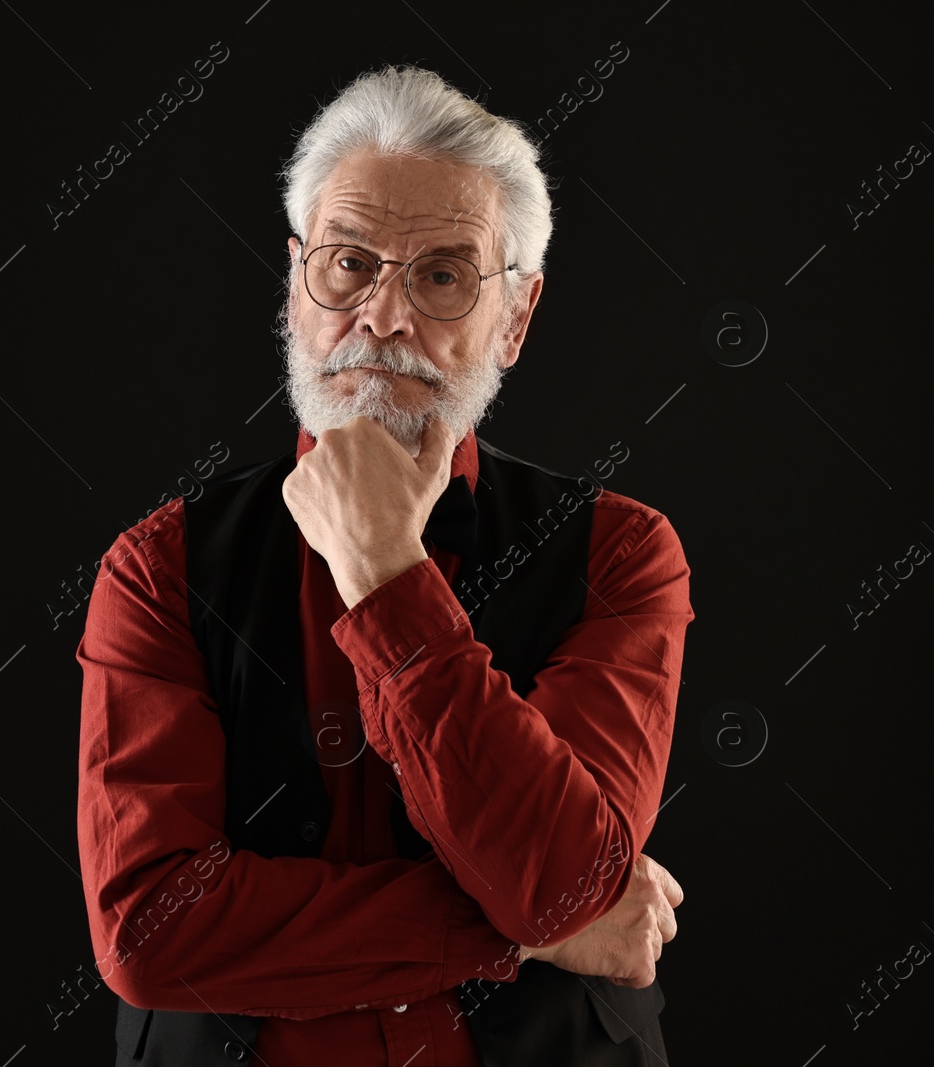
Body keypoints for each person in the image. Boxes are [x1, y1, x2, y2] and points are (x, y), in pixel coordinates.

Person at [76, 64, 692, 1067]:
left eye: (442, 274)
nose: (384, 315)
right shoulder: (157, 569)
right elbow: (152, 931)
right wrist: (517, 930)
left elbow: (559, 881)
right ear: (295, 281)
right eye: (350, 263)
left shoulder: (620, 553)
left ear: (516, 318)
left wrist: (380, 569)